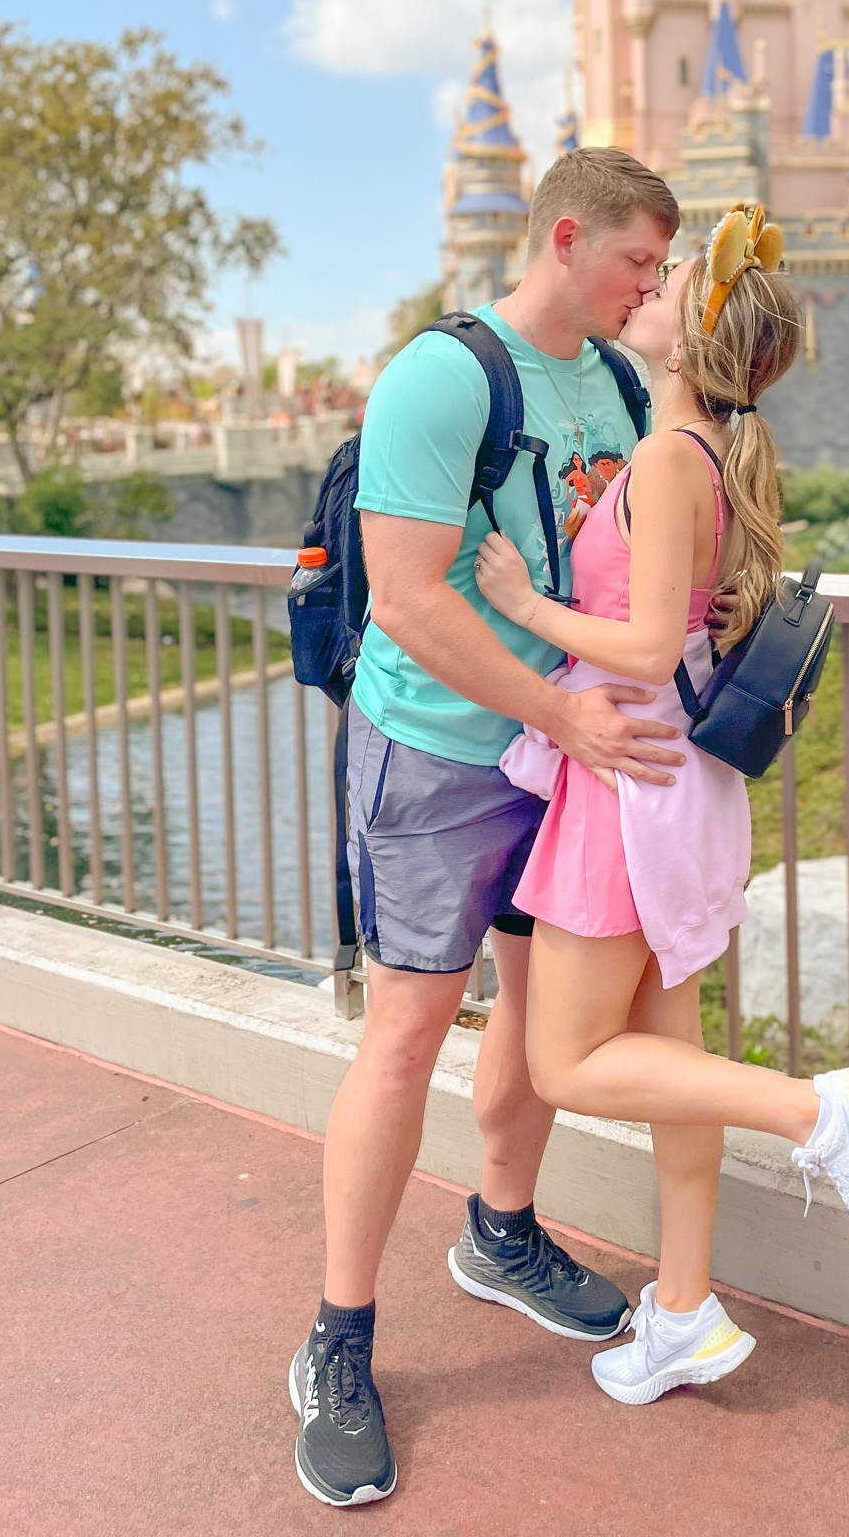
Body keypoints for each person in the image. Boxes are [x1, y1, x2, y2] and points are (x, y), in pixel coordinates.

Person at [290, 147, 691, 1509]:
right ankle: (339, 1340)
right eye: (637, 260)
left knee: (534, 1009)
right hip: (441, 751)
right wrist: (563, 717)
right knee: (406, 1035)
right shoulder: (442, 375)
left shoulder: (622, 381)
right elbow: (407, 596)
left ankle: (502, 1232)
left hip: (560, 750)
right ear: (566, 237)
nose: (650, 287)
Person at [476, 207, 849, 1411]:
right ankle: (683, 1309)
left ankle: (820, 1107)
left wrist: (527, 598)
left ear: (684, 339)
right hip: (665, 783)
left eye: (665, 285)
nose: (646, 289)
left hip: (623, 785)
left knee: (566, 1057)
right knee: (669, 1057)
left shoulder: (669, 459)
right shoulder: (699, 455)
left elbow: (649, 640)